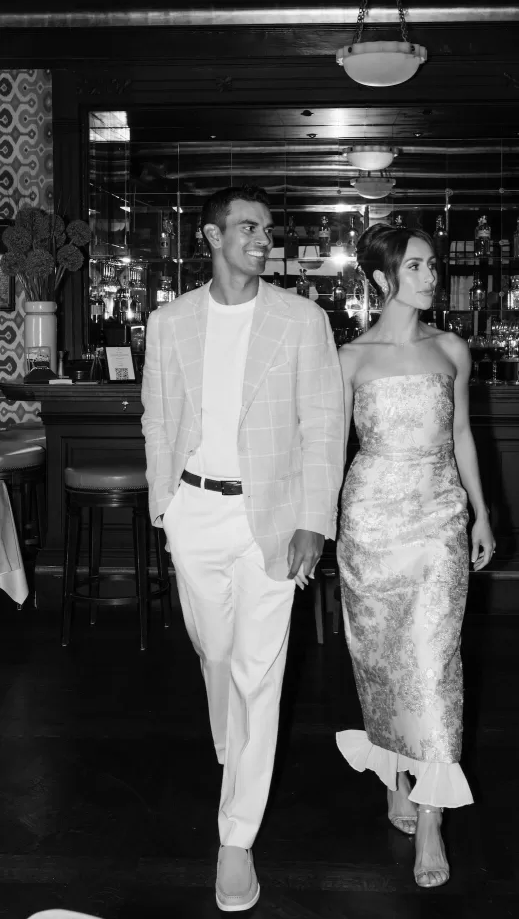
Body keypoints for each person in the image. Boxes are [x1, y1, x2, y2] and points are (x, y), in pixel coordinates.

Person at [141, 185, 344, 911]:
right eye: (249, 228)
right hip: (193, 511)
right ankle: (234, 747)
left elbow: (324, 424)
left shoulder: (302, 319)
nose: (263, 241)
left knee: (261, 675)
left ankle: (236, 840)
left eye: (268, 230)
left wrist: (313, 519)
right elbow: (157, 417)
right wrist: (165, 505)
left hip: (272, 517)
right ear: (211, 235)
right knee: (215, 652)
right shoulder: (170, 322)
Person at [335, 223, 495, 890]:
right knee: (381, 663)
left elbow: (460, 435)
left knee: (433, 664)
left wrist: (483, 513)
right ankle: (396, 778)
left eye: (434, 265)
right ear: (382, 279)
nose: (433, 276)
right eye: (418, 267)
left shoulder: (451, 348)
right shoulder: (348, 359)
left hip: (438, 521)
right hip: (369, 521)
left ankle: (430, 813)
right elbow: (329, 451)